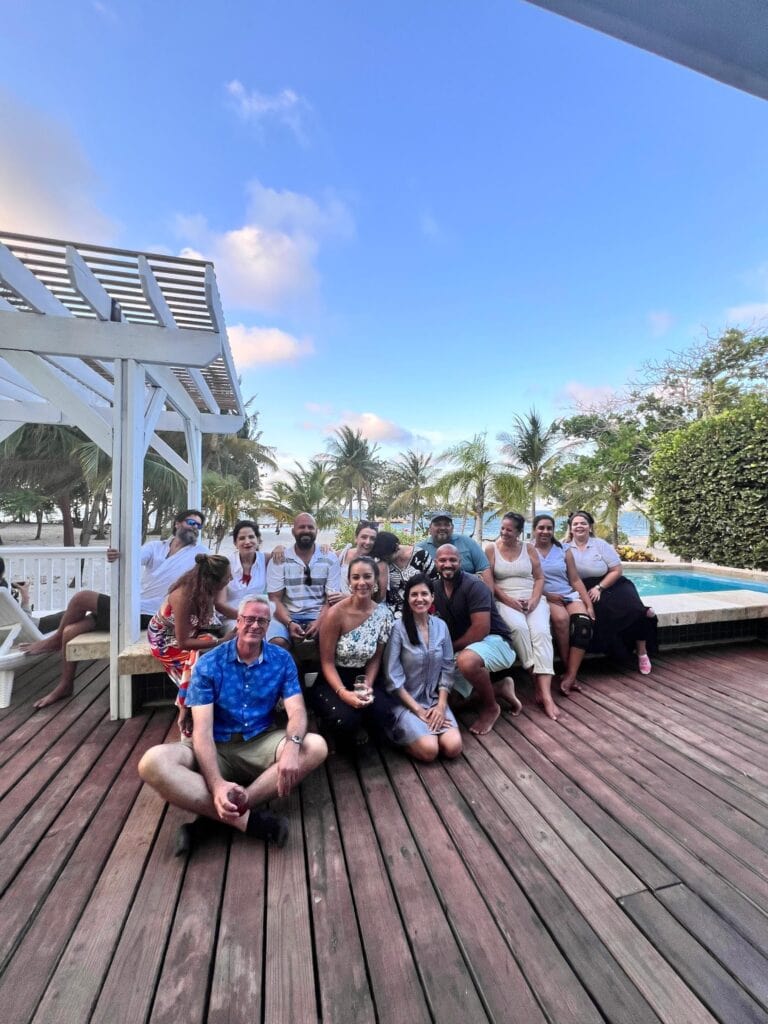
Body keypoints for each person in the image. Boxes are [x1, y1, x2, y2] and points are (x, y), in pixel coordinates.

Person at [138, 596, 328, 854]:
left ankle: (222, 814)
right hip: (214, 745)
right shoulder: (210, 663)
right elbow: (202, 731)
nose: (255, 625)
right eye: (249, 619)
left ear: (268, 626)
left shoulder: (281, 660)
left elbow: (297, 711)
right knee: (152, 762)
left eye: (262, 621)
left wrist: (293, 747)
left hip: (259, 742)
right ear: (238, 622)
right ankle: (250, 821)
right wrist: (217, 784)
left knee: (315, 746)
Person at [21, 509, 208, 709]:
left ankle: (54, 641)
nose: (195, 528)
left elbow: (215, 573)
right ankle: (65, 685)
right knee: (71, 631)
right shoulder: (156, 547)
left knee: (81, 597)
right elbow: (132, 558)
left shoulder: (199, 554)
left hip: (154, 614)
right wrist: (116, 555)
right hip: (133, 607)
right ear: (177, 523)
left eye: (199, 526)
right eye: (191, 523)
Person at [432, 544, 519, 736]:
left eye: (453, 560)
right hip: (466, 648)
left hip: (496, 641)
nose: (448, 564)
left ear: (460, 562)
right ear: (435, 563)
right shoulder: (435, 588)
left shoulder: (474, 585)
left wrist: (447, 652)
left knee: (467, 661)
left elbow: (481, 629)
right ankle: (499, 688)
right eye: (443, 560)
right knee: (451, 702)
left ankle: (491, 708)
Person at [309, 556, 393, 749]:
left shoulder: (383, 614)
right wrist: (343, 693)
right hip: (334, 678)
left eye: (367, 576)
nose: (361, 582)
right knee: (345, 721)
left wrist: (367, 685)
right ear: (349, 581)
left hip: (363, 677)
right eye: (356, 577)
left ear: (376, 579)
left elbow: (375, 658)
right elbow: (327, 662)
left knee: (383, 713)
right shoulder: (335, 614)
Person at [147, 553, 236, 736]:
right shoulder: (183, 596)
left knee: (217, 651)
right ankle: (186, 706)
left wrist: (246, 616)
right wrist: (221, 641)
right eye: (228, 577)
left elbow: (220, 608)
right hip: (166, 640)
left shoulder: (207, 588)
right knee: (199, 658)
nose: (231, 579)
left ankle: (213, 705)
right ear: (213, 579)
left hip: (192, 631)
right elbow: (183, 643)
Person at [485, 513, 558, 721]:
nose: (504, 532)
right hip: (505, 599)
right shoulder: (491, 549)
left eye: (509, 529)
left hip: (532, 598)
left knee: (542, 633)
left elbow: (540, 578)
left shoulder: (529, 549)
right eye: (502, 528)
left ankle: (546, 695)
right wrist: (509, 601)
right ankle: (536, 679)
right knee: (519, 629)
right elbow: (490, 582)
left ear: (518, 532)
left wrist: (534, 600)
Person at [382, 573, 462, 761]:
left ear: (432, 597)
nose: (419, 599)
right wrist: (419, 711)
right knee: (429, 751)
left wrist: (441, 706)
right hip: (405, 703)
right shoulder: (398, 628)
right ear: (407, 598)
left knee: (453, 747)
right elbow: (392, 678)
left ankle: (426, 733)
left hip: (434, 701)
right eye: (414, 594)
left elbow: (448, 668)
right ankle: (402, 738)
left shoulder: (441, 626)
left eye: (424, 594)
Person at [565, 511, 657, 673]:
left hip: (610, 583)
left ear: (590, 527)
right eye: (576, 524)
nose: (579, 526)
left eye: (583, 523)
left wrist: (599, 587)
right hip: (583, 588)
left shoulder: (600, 544)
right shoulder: (564, 547)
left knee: (635, 609)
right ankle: (620, 650)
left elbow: (616, 570)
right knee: (603, 610)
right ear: (571, 528)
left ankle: (642, 653)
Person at [531, 513, 594, 695]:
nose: (545, 531)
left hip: (568, 594)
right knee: (561, 620)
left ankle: (570, 675)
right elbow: (528, 581)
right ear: (534, 530)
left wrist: (589, 605)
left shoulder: (563, 549)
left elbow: (574, 579)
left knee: (583, 623)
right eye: (541, 528)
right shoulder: (528, 550)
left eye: (549, 528)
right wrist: (548, 595)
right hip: (545, 596)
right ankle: (568, 669)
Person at [266, 512, 341, 650]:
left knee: (329, 639)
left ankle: (323, 665)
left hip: (319, 614)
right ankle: (292, 664)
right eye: (301, 527)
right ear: (293, 531)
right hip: (287, 615)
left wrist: (319, 621)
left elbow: (331, 599)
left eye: (310, 527)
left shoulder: (330, 558)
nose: (306, 530)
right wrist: (289, 623)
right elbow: (274, 598)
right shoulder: (279, 559)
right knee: (277, 642)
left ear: (317, 531)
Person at [415, 511, 492, 588]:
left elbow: (485, 570)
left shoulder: (467, 542)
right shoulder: (419, 550)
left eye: (446, 524)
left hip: (469, 591)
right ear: (430, 528)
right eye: (438, 524)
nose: (442, 528)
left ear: (452, 528)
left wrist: (489, 595)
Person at [371, 530, 434, 617]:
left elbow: (434, 582)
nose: (386, 559)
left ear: (397, 547)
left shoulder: (421, 555)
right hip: (393, 612)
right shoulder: (382, 562)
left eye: (388, 556)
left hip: (420, 607)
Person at [223, 519, 272, 628]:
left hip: (258, 617)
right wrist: (244, 618)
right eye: (242, 538)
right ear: (235, 543)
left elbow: (287, 556)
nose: (247, 541)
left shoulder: (266, 559)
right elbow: (219, 604)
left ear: (258, 540)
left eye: (251, 537)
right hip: (231, 618)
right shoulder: (226, 563)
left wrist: (280, 548)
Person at [336, 520, 380, 597]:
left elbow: (378, 597)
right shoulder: (342, 555)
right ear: (356, 538)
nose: (368, 542)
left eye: (372, 538)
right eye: (364, 537)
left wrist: (346, 597)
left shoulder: (378, 562)